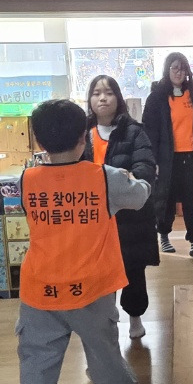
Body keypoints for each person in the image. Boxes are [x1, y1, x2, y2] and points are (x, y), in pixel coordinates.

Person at [7, 98, 151, 384]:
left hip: (40, 291)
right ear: (83, 138)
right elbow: (139, 197)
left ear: (38, 141)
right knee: (103, 350)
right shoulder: (105, 177)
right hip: (92, 289)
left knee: (36, 364)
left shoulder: (26, 179)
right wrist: (137, 179)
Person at [81, 74, 159, 340]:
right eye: (96, 93)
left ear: (118, 98)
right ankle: (106, 321)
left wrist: (126, 182)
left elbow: (144, 168)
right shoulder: (82, 133)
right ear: (90, 99)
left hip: (129, 216)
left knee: (132, 269)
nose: (102, 98)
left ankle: (135, 317)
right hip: (94, 216)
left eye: (108, 93)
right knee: (100, 272)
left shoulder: (134, 131)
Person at [141, 51, 193, 264]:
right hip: (166, 159)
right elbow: (150, 130)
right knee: (165, 200)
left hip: (191, 157)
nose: (179, 72)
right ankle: (164, 236)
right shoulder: (156, 97)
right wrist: (153, 159)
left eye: (183, 69)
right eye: (175, 68)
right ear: (167, 70)